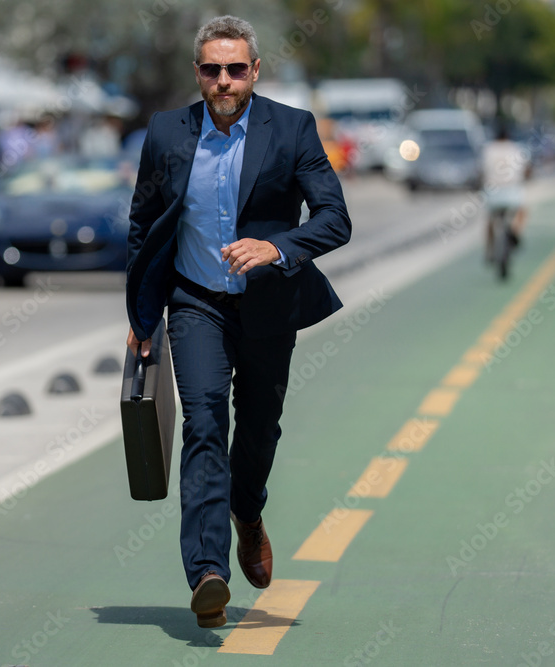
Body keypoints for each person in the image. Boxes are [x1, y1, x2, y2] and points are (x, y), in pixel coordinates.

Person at [125, 15, 351, 628]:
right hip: (195, 302)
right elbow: (144, 223)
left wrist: (277, 248)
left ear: (254, 70)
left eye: (234, 69)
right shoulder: (166, 131)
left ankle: (247, 512)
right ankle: (208, 574)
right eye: (211, 69)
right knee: (202, 422)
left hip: (269, 305)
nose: (222, 81)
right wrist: (141, 314)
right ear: (197, 72)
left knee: (258, 430)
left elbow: (335, 218)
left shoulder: (292, 128)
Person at [482, 125, 530, 260]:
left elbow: (482, 170)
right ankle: (514, 231)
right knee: (521, 212)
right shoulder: (515, 148)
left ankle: (489, 250)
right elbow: (526, 169)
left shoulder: (488, 149)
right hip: (511, 192)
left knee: (490, 219)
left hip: (493, 192)